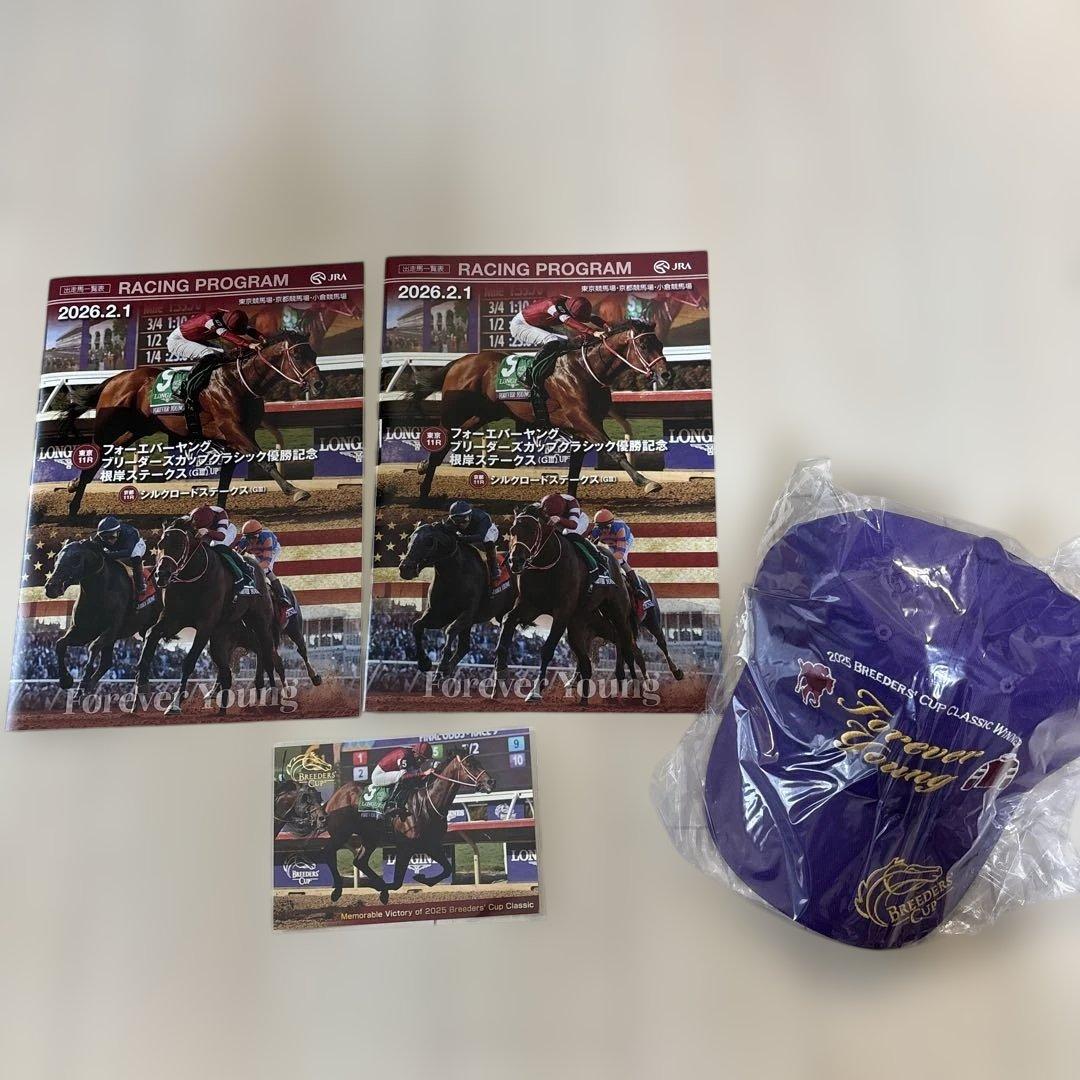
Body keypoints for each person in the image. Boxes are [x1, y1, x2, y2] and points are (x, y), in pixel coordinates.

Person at [509, 295, 606, 425]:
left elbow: (592, 317)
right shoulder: (553, 307)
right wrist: (592, 332)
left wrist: (607, 326)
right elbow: (568, 321)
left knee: (566, 340)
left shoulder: (571, 303)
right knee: (553, 340)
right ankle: (528, 373)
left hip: (538, 323)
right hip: (521, 325)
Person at [166, 309, 264, 433]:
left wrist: (263, 338)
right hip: (178, 341)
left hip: (195, 339)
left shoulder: (228, 317)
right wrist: (248, 344)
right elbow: (225, 334)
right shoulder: (210, 320)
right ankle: (185, 387)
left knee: (223, 353)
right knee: (209, 353)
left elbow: (248, 329)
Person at [538, 492, 605, 589]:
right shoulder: (544, 502)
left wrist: (560, 519)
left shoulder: (572, 502)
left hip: (578, 521)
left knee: (570, 534)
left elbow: (574, 525)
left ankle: (596, 558)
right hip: (560, 520)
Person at [190, 504, 257, 597]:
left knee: (218, 546)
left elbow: (221, 537)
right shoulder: (193, 515)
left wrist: (208, 531)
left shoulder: (221, 514)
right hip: (208, 531)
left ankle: (242, 573)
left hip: (227, 531)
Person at [591, 508, 647, 600]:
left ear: (612, 524)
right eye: (601, 528)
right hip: (611, 542)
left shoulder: (620, 528)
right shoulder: (595, 531)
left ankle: (638, 587)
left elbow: (620, 553)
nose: (604, 531)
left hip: (625, 540)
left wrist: (605, 558)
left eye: (607, 527)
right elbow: (590, 548)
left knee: (620, 560)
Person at [370, 742, 435, 821]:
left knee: (413, 777)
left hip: (391, 772)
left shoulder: (412, 756)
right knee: (401, 776)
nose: (422, 761)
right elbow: (404, 777)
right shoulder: (404, 755)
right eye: (422, 758)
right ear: (416, 754)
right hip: (379, 776)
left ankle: (401, 805)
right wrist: (424, 773)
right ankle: (390, 805)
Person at [233, 519, 287, 609]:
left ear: (259, 535)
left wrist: (252, 568)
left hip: (272, 550)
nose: (251, 541)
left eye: (254, 537)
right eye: (248, 538)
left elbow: (266, 562)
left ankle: (283, 597)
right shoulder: (244, 541)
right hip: (258, 551)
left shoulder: (267, 539)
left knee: (266, 570)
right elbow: (235, 556)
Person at [446, 500, 501, 583]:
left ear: (470, 515)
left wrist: (461, 538)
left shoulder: (483, 518)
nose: (461, 524)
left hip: (486, 532)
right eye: (457, 520)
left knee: (488, 541)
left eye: (464, 520)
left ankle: (494, 567)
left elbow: (480, 537)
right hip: (468, 533)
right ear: (451, 518)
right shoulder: (451, 520)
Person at [94, 516, 147, 597]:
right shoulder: (100, 536)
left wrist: (108, 555)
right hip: (117, 548)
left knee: (135, 556)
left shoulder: (130, 533)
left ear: (118, 532)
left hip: (135, 545)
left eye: (112, 536)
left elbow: (128, 552)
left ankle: (140, 584)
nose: (109, 540)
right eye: (104, 537)